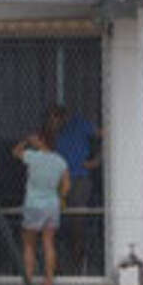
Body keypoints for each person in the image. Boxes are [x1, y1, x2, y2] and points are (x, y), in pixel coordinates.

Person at [11, 119, 69, 285]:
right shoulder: (60, 161)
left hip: (33, 204)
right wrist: (60, 197)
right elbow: (66, 186)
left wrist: (26, 141)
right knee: (48, 243)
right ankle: (49, 281)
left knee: (29, 245)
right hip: (51, 204)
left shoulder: (32, 156)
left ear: (41, 140)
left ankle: (28, 282)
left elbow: (15, 152)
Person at [47, 104, 102, 271]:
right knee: (54, 221)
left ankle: (77, 262)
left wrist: (97, 161)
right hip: (58, 179)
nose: (54, 125)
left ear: (63, 118)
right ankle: (56, 265)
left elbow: (106, 135)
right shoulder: (51, 133)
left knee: (77, 219)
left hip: (79, 178)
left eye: (56, 121)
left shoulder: (79, 125)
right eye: (51, 121)